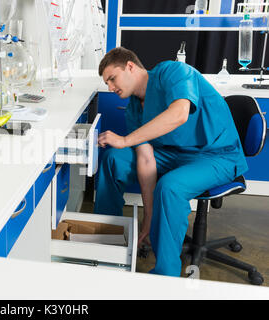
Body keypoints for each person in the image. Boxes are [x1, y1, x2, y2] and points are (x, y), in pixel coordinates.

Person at [94, 47, 248, 277]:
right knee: (114, 159)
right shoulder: (134, 110)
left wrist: (125, 140)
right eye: (107, 83)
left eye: (112, 79)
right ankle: (106, 244)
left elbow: (179, 114)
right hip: (171, 155)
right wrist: (148, 218)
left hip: (216, 155)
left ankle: (166, 275)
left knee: (170, 187)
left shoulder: (174, 72)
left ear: (130, 66)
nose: (110, 87)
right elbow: (146, 160)